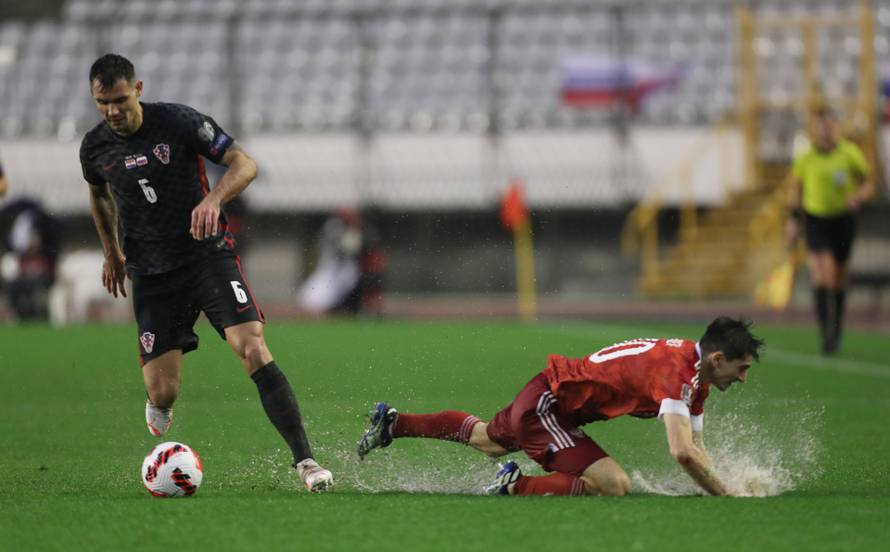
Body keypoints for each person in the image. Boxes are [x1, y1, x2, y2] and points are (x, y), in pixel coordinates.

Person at [79, 54, 332, 492]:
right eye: (103, 103)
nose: (112, 111)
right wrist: (112, 252)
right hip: (153, 274)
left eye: (119, 99)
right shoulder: (94, 147)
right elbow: (98, 196)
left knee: (251, 346)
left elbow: (244, 163)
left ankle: (306, 462)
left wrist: (213, 200)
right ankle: (158, 401)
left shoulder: (177, 122)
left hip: (206, 255)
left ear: (137, 89)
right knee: (163, 393)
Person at [358, 317, 763, 497]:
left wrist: (716, 484)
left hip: (547, 395)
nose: (742, 378)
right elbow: (680, 452)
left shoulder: (695, 374)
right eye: (741, 369)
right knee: (614, 484)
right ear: (716, 359)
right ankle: (514, 486)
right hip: (548, 408)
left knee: (488, 440)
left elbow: (695, 447)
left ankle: (395, 423)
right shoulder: (676, 373)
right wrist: (726, 495)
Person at [786, 106, 875, 355]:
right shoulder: (805, 157)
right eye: (820, 125)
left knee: (838, 278)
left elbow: (868, 182)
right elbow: (795, 189)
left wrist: (859, 197)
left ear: (835, 126)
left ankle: (836, 331)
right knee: (822, 275)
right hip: (815, 220)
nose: (825, 130)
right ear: (814, 129)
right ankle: (825, 333)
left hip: (843, 221)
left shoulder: (849, 153)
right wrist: (793, 220)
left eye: (829, 125)